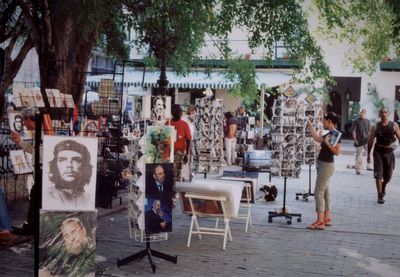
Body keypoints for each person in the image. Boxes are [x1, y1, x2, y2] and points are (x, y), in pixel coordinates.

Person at [306, 112, 341, 230]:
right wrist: (309, 124)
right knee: (325, 192)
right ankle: (326, 218)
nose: (323, 122)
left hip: (326, 166)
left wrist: (327, 143)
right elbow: (316, 138)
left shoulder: (335, 134)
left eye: (325, 121)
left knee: (318, 192)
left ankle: (320, 221)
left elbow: (337, 152)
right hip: (323, 165)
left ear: (329, 122)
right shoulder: (329, 133)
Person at [10, 108, 38, 236]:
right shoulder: (38, 132)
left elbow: (39, 153)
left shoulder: (42, 133)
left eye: (24, 121)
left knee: (35, 196)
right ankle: (30, 227)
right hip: (39, 172)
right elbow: (33, 150)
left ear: (29, 120)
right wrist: (19, 142)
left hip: (43, 172)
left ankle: (30, 228)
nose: (24, 125)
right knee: (35, 197)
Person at [44, 139, 94, 210]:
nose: (69, 165)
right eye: (63, 160)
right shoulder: (47, 196)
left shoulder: (87, 199)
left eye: (76, 160)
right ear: (55, 165)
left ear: (84, 166)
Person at [367, 107, 400, 204]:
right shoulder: (375, 127)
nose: (383, 114)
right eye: (381, 112)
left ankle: (383, 185)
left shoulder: (394, 125)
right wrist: (369, 155)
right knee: (378, 174)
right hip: (378, 152)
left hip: (389, 152)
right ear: (379, 114)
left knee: (388, 176)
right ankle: (380, 195)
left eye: (385, 112)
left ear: (388, 113)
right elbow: (370, 141)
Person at [166, 104, 192, 182]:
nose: (179, 114)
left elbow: (188, 140)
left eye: (179, 112)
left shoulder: (184, 124)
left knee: (177, 173)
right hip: (169, 152)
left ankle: (175, 189)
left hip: (179, 152)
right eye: (177, 112)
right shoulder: (167, 124)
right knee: (170, 173)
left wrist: (187, 154)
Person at [146, 164, 173, 229]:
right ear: (154, 176)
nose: (163, 175)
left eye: (163, 172)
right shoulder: (148, 188)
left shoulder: (169, 184)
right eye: (160, 174)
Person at [351, 108, 372, 174]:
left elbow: (370, 131)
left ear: (365, 114)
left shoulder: (368, 121)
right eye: (361, 112)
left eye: (363, 113)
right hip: (359, 140)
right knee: (359, 155)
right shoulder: (356, 121)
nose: (361, 114)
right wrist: (355, 139)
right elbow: (353, 131)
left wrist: (371, 140)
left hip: (367, 140)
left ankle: (369, 166)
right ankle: (358, 169)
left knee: (370, 153)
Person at [182, 105, 196, 181]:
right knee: (186, 157)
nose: (193, 112)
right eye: (192, 110)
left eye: (194, 111)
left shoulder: (193, 120)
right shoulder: (185, 118)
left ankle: (190, 173)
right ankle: (184, 175)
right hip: (185, 141)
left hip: (191, 140)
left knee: (190, 158)